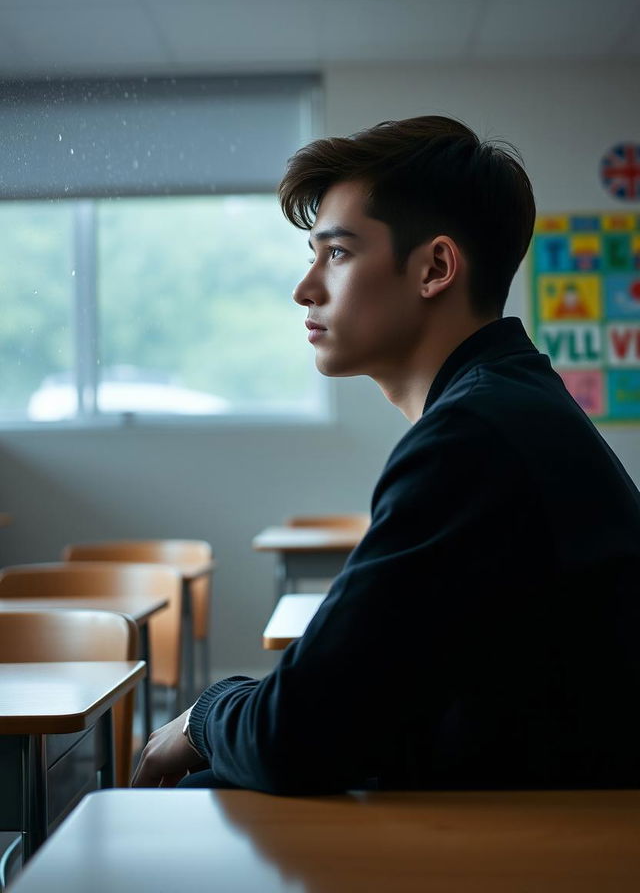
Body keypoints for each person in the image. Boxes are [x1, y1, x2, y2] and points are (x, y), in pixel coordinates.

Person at [132, 115, 640, 793]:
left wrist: (201, 716)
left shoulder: (474, 434)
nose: (305, 288)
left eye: (336, 254)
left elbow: (297, 738)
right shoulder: (505, 402)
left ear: (434, 268)